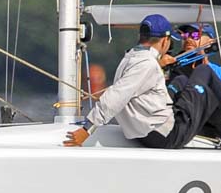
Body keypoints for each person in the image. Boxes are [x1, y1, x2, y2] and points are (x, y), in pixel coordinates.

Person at [64, 15, 179, 148]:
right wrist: (87, 130)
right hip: (162, 133)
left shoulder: (130, 57)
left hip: (143, 133)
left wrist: (158, 65)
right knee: (194, 78)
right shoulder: (147, 64)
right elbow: (116, 95)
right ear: (165, 41)